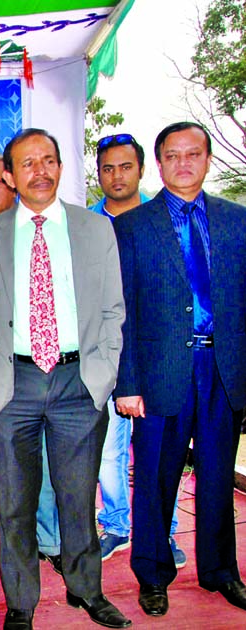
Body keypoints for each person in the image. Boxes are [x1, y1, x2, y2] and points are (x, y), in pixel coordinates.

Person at [0, 129, 129, 630]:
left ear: (62, 167)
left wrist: (102, 376)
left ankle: (86, 589)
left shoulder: (93, 229)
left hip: (77, 381)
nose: (39, 171)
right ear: (11, 175)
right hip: (12, 383)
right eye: (27, 164)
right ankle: (20, 602)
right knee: (16, 502)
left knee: (77, 496)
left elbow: (113, 309)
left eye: (48, 160)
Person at [114, 121, 246, 617]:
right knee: (154, 478)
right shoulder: (130, 227)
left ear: (208, 160)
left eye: (193, 154)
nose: (184, 163)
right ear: (159, 163)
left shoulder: (238, 221)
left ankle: (220, 571)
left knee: (216, 477)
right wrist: (127, 383)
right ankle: (152, 573)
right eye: (173, 155)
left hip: (223, 368)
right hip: (159, 374)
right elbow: (121, 309)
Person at [88, 134, 187, 568]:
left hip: (159, 358)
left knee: (161, 452)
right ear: (98, 175)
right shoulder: (85, 224)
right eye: (108, 168)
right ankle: (116, 524)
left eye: (125, 166)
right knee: (109, 448)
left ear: (142, 170)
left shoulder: (166, 219)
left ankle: (163, 532)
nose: (117, 176)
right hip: (104, 356)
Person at [0, 152, 63, 580]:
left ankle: (50, 540)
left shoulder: (37, 233)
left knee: (39, 460)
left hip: (33, 370)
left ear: (12, 182)